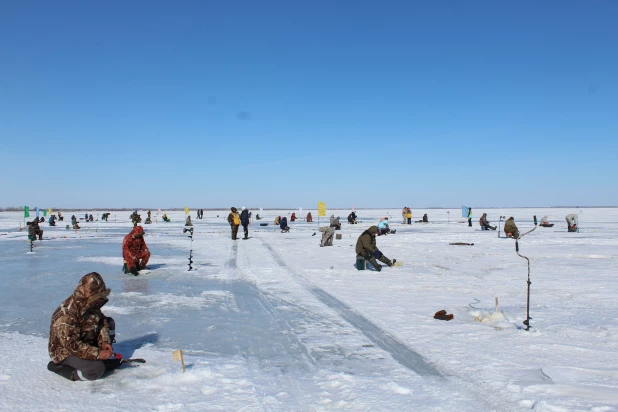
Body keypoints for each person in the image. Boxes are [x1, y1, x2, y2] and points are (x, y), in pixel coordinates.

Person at [47, 272, 118, 381]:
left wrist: (105, 341)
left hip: (84, 342)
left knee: (109, 322)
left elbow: (102, 321)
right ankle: (59, 368)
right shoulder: (66, 314)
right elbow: (72, 345)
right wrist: (98, 354)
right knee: (96, 370)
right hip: (66, 351)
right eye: (98, 296)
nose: (100, 300)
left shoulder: (91, 304)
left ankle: (99, 357)